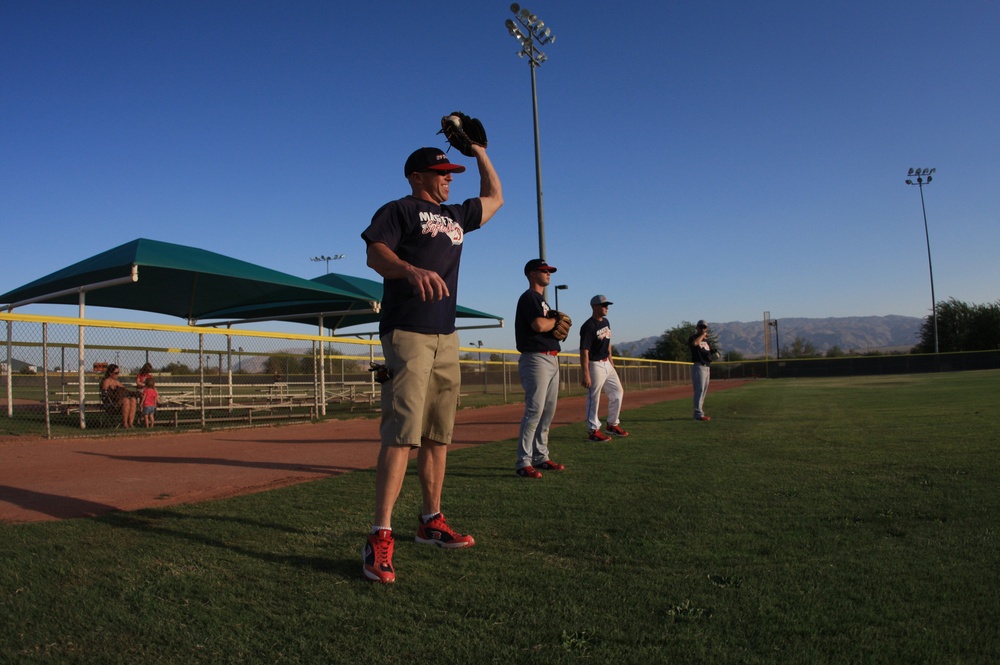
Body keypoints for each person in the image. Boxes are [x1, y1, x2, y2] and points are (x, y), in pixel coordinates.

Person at [359, 143, 503, 584]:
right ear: (417, 176)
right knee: (403, 434)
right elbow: (374, 253)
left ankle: (430, 521)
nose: (448, 178)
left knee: (438, 435)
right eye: (441, 172)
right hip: (407, 330)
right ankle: (379, 535)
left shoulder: (457, 216)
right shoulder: (400, 209)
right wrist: (407, 269)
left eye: (451, 172)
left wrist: (479, 151)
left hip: (446, 335)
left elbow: (496, 198)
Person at [513, 258, 567, 479]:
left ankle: (541, 457)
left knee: (547, 412)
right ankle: (523, 462)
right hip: (536, 359)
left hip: (551, 359)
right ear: (531, 274)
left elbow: (546, 324)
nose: (549, 274)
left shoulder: (541, 300)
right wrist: (555, 321)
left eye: (549, 271)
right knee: (534, 411)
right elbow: (539, 325)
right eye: (544, 271)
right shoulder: (530, 297)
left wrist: (552, 320)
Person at [579, 295, 628, 441]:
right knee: (594, 397)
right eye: (603, 305)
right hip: (595, 364)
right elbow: (584, 351)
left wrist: (611, 363)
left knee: (617, 392)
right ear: (594, 307)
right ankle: (593, 430)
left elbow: (608, 344)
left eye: (607, 305)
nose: (606, 307)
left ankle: (612, 424)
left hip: (606, 362)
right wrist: (586, 373)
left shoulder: (606, 322)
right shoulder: (588, 326)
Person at [689, 320, 714, 421]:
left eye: (704, 327)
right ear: (697, 327)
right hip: (699, 366)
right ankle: (698, 414)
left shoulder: (706, 340)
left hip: (706, 366)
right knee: (699, 390)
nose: (702, 329)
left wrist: (713, 354)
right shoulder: (694, 337)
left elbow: (707, 352)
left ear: (707, 328)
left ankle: (700, 412)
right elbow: (695, 343)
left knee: (703, 390)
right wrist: (703, 336)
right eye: (700, 327)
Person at [100, 363, 137, 429]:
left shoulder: (117, 382)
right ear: (110, 373)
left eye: (118, 372)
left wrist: (136, 393)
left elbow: (126, 391)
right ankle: (125, 423)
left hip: (120, 402)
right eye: (116, 373)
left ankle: (130, 423)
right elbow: (104, 393)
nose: (118, 374)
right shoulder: (106, 381)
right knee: (126, 400)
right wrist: (113, 391)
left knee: (133, 400)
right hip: (111, 404)